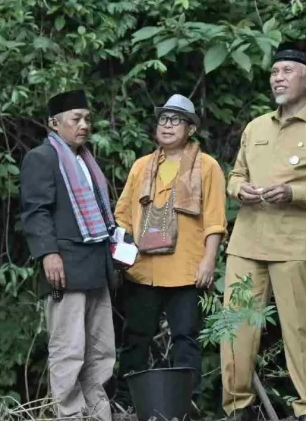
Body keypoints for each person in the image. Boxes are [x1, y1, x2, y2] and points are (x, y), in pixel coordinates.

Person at [222, 43, 306, 421]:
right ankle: (238, 407)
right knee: (235, 329)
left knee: (302, 332)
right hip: (247, 241)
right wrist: (237, 188)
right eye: (274, 71)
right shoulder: (255, 126)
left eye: (287, 71)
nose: (277, 77)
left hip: (298, 245)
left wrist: (295, 192)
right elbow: (236, 174)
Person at [113, 94, 227, 409]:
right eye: (164, 118)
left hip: (186, 271)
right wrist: (121, 256)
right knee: (135, 338)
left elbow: (216, 219)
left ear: (191, 128)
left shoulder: (207, 167)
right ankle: (126, 404)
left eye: (176, 119)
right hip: (143, 270)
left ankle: (187, 405)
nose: (167, 125)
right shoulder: (141, 166)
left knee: (185, 340)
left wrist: (208, 261)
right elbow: (122, 215)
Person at [20, 89, 116, 421]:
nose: (84, 125)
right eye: (76, 119)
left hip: (96, 267)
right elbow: (36, 212)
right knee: (69, 349)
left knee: (102, 351)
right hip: (65, 267)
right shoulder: (42, 158)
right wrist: (48, 253)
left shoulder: (86, 159)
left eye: (87, 118)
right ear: (54, 123)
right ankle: (71, 415)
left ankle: (98, 413)